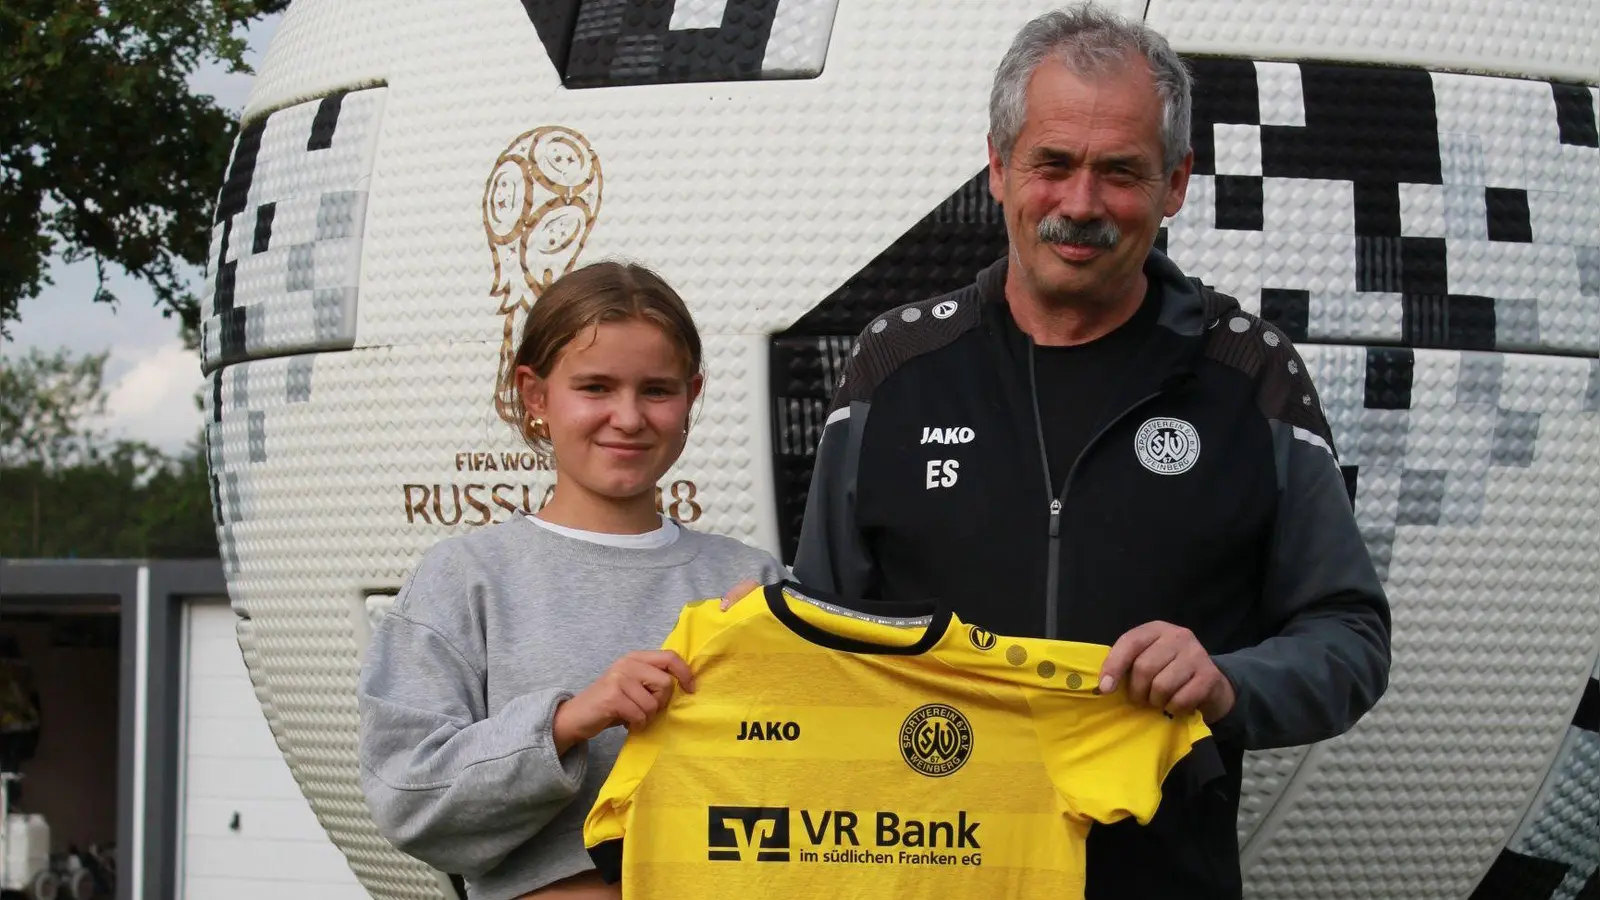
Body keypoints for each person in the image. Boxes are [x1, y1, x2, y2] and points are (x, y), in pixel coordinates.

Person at [754, 5, 1393, 899]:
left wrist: (1227, 685)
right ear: (999, 167)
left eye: (1120, 172)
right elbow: (817, 639)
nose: (1081, 204)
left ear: (1175, 183)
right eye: (1051, 163)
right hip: (923, 879)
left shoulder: (1252, 375)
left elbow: (1351, 639)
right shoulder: (893, 366)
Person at [357, 261, 784, 900]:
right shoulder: (467, 580)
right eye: (595, 387)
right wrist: (567, 723)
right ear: (535, 396)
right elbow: (409, 800)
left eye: (657, 390)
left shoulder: (752, 580)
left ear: (692, 396)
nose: (629, 416)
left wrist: (787, 668)